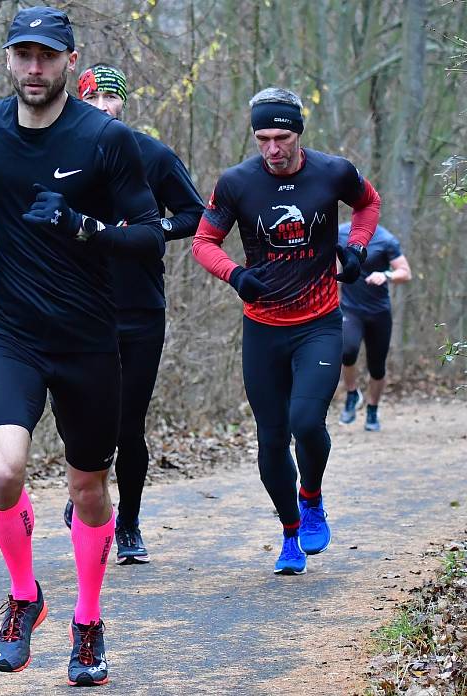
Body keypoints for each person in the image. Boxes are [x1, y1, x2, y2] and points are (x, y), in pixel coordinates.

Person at [0, 6, 164, 686]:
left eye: (48, 55)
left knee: (87, 486)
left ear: (71, 62)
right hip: (12, 330)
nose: (34, 67)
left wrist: (82, 226)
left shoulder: (105, 139)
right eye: (24, 54)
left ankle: (88, 621)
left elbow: (149, 232)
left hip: (87, 339)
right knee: (3, 472)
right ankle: (23, 598)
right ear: (8, 59)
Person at [192, 87, 380, 575]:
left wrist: (356, 249)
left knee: (305, 423)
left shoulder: (333, 171)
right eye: (262, 138)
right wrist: (235, 275)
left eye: (282, 137)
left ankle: (312, 496)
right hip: (262, 329)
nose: (272, 149)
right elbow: (203, 241)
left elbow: (368, 204)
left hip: (319, 322)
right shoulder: (237, 182)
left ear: (299, 133)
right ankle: (291, 533)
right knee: (271, 440)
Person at [61, 63, 204, 566]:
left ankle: (128, 525)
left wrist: (146, 229)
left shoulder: (152, 154)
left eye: (110, 100)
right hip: (80, 303)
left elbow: (194, 214)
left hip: (141, 306)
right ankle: (86, 492)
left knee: (129, 423)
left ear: (123, 104)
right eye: (92, 100)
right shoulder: (61, 152)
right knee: (84, 419)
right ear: (78, 101)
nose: (102, 109)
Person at [337, 222, 412, 431]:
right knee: (347, 351)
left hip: (378, 312)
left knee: (377, 367)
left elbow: (405, 273)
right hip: (350, 309)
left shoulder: (386, 239)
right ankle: (352, 393)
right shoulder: (341, 233)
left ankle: (372, 409)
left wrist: (386, 275)